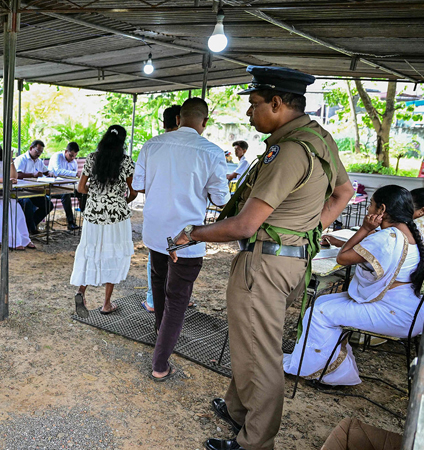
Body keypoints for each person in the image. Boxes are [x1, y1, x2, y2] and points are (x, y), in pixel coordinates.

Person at [168, 66, 354, 450]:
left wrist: (193, 235)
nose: (249, 114)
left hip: (264, 265)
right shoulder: (318, 138)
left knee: (261, 354)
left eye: (254, 105)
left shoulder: (286, 152)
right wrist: (305, 234)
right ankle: (238, 411)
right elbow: (343, 193)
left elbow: (244, 225)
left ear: (277, 102)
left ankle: (255, 442)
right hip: (290, 261)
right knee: (250, 341)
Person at [283, 186, 424, 386]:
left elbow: (342, 258)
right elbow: (364, 251)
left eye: (370, 205)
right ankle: (336, 367)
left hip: (396, 313)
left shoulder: (387, 238)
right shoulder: (411, 232)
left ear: (381, 210)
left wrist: (365, 228)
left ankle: (325, 373)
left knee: (321, 312)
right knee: (323, 301)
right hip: (410, 309)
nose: (368, 210)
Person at [133, 98, 230, 381]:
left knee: (160, 285)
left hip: (154, 232)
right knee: (177, 297)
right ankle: (160, 363)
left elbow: (138, 186)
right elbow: (221, 199)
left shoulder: (152, 145)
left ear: (178, 119)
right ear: (205, 122)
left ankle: (159, 335)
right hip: (186, 237)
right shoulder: (211, 152)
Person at [71, 125, 137, 316]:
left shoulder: (92, 158)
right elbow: (133, 192)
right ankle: (106, 304)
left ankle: (81, 292)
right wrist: (122, 201)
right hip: (117, 217)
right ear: (122, 141)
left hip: (93, 214)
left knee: (90, 250)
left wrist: (96, 193)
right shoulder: (125, 162)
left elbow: (81, 188)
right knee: (114, 254)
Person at [141, 104, 182, 313]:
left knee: (156, 259)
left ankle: (153, 300)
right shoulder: (199, 148)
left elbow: (138, 185)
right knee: (181, 259)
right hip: (183, 216)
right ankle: (180, 299)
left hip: (157, 213)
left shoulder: (151, 145)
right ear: (179, 119)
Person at [15, 140, 54, 234]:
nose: (39, 154)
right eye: (37, 151)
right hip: (21, 191)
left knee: (48, 205)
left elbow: (45, 171)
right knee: (27, 203)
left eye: (41, 152)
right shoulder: (21, 159)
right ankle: (31, 229)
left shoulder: (39, 161)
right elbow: (16, 175)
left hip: (34, 190)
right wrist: (33, 174)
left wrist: (49, 173)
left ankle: (30, 225)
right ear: (31, 148)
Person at [48, 142, 81, 230]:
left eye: (74, 156)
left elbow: (74, 179)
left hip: (68, 187)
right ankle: (71, 222)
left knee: (82, 192)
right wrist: (75, 174)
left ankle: (86, 216)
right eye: (71, 155)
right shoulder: (57, 156)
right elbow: (58, 172)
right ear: (66, 151)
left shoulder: (74, 162)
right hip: (54, 188)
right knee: (65, 194)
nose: (72, 158)